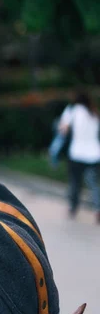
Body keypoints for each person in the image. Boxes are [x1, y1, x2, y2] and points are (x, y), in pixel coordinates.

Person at [59, 91, 100, 222]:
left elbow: (63, 130)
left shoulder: (72, 110)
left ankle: (73, 206)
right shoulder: (94, 113)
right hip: (94, 154)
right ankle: (98, 209)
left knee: (75, 182)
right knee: (93, 183)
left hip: (77, 153)